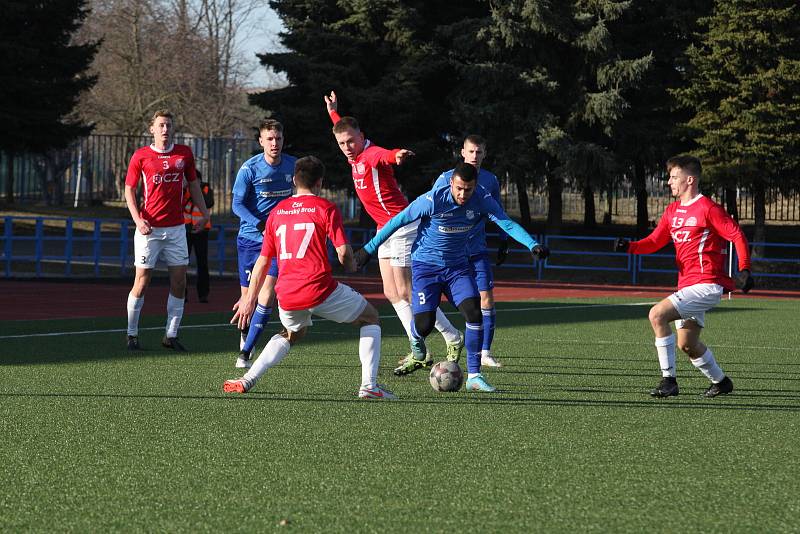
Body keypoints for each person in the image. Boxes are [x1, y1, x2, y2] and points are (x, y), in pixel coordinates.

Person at [355, 162, 549, 392]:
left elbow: (505, 222)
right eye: (458, 188)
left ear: (475, 186)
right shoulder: (433, 199)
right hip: (426, 267)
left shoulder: (482, 199)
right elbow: (399, 220)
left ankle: (474, 376)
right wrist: (368, 249)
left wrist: (532, 244)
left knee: (474, 312)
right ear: (451, 184)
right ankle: (417, 342)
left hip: (457, 267)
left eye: (468, 189)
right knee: (424, 325)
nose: (462, 194)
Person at [224, 156, 395, 400]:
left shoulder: (277, 212)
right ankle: (369, 386)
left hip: (286, 293)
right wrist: (351, 265)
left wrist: (250, 298)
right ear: (320, 183)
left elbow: (263, 261)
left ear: (294, 180)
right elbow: (344, 252)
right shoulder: (326, 208)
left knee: (293, 333)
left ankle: (248, 378)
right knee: (371, 317)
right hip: (319, 288)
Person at [324, 90, 464, 365]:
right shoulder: (353, 154)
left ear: (362, 136)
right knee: (391, 293)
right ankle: (419, 346)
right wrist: (333, 112)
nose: (347, 147)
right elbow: (342, 129)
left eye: (351, 141)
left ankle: (450, 337)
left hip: (402, 225)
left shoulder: (371, 153)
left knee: (408, 291)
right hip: (384, 228)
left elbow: (384, 155)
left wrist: (397, 154)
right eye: (342, 143)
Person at [614, 155, 754, 398]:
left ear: (690, 179)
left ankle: (669, 381)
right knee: (687, 344)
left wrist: (744, 269)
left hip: (707, 284)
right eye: (669, 177)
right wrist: (630, 247)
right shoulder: (672, 211)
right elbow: (655, 241)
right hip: (687, 286)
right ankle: (721, 382)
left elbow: (736, 235)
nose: (669, 182)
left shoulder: (708, 208)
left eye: (674, 177)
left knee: (657, 314)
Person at [124, 109, 209, 351]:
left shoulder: (184, 154)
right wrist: (138, 219)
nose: (165, 129)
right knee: (142, 281)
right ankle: (132, 334)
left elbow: (193, 184)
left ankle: (170, 335)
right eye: (161, 125)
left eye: (169, 125)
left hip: (176, 229)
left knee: (180, 282)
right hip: (149, 229)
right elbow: (129, 190)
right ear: (152, 129)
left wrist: (205, 213)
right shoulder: (141, 156)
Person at [432, 135, 508, 368]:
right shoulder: (446, 178)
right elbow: (431, 207)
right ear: (462, 152)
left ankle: (485, 353)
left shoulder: (491, 180)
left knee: (487, 299)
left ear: (485, 154)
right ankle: (419, 347)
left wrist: (504, 239)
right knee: (429, 302)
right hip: (450, 252)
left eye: (479, 152)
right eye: (471, 152)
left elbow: (498, 212)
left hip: (477, 249)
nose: (475, 156)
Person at [231, 119, 297, 369]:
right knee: (247, 297)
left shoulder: (293, 165)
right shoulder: (249, 169)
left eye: (278, 139)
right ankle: (245, 336)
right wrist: (260, 224)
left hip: (278, 242)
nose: (274, 143)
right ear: (261, 141)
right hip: (250, 240)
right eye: (269, 139)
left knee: (266, 295)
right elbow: (236, 204)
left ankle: (246, 353)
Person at [183, 170, 213, 303]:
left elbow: (209, 203)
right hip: (186, 230)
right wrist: (186, 189)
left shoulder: (206, 189)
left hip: (202, 230)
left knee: (202, 263)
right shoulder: (183, 189)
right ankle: (182, 293)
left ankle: (203, 293)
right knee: (182, 263)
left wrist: (197, 190)